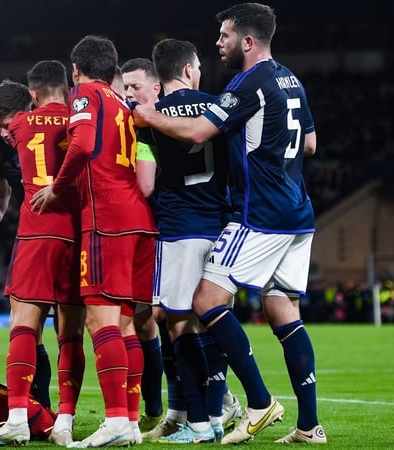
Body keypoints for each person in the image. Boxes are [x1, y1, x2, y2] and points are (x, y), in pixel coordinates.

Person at [133, 3, 324, 444]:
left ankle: (258, 402)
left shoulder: (248, 82)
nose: (218, 44)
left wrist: (149, 117)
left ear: (248, 41)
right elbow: (310, 144)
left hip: (260, 213)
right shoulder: (290, 79)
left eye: (224, 36)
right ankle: (309, 426)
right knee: (283, 310)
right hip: (299, 212)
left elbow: (200, 132)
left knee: (207, 299)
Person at [31, 35, 157, 447]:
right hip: (139, 219)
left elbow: (83, 144)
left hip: (107, 219)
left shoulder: (86, 93)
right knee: (125, 325)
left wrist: (56, 187)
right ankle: (132, 422)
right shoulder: (122, 103)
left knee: (98, 319)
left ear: (77, 70)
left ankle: (116, 419)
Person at [0, 63, 85, 447]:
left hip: (37, 234)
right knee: (70, 333)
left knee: (23, 326)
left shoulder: (22, 128)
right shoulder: (81, 118)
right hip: (78, 236)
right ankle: (66, 421)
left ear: (33, 94)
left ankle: (19, 417)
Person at [135, 37, 235, 444]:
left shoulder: (149, 116)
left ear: (160, 75)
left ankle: (197, 422)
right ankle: (214, 414)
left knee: (179, 327)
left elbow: (144, 183)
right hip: (221, 226)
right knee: (211, 322)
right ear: (192, 67)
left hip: (178, 229)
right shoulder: (219, 106)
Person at [118, 57, 164, 435]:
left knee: (151, 319)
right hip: (152, 229)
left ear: (155, 88)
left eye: (136, 87)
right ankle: (155, 405)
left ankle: (163, 405)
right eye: (126, 87)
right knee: (145, 319)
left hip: (156, 229)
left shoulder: (147, 128)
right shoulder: (134, 124)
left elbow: (146, 186)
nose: (129, 94)